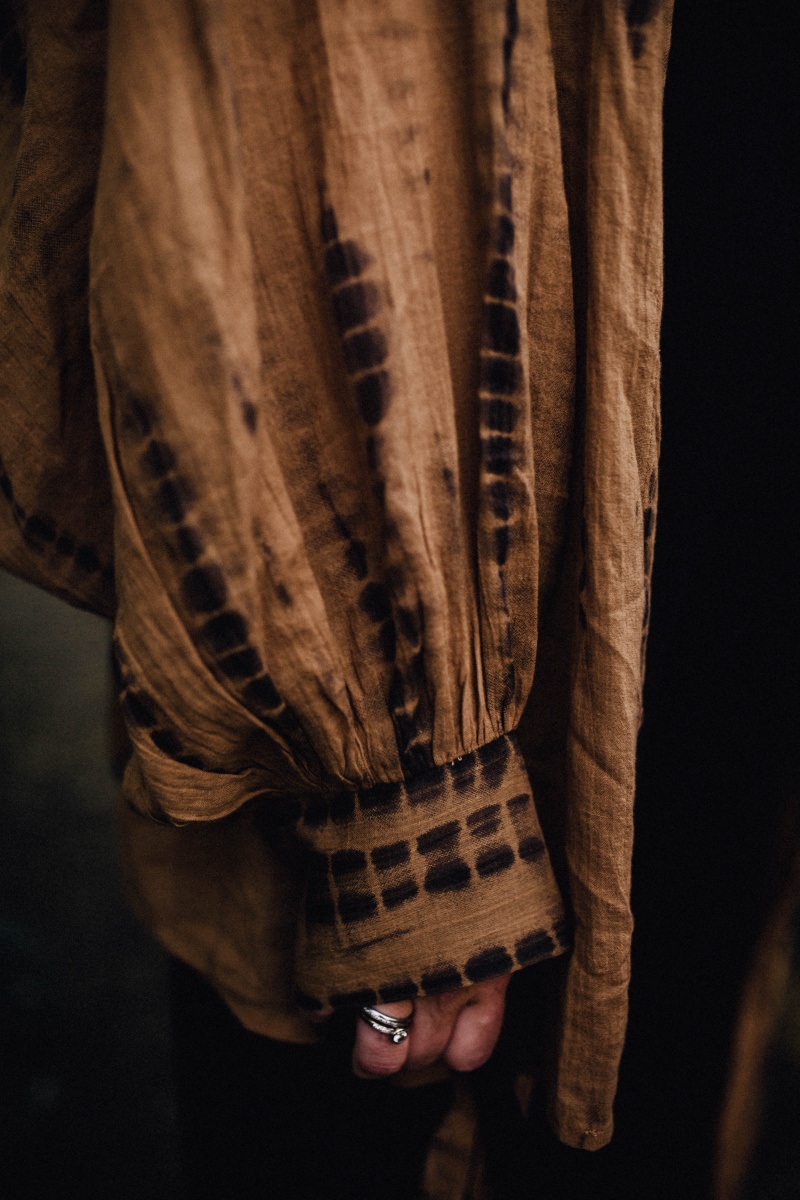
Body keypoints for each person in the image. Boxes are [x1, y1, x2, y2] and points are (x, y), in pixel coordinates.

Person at [0, 1, 673, 1194]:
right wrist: (413, 815)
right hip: (400, 629)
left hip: (693, 355)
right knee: (358, 1129)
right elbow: (277, 88)